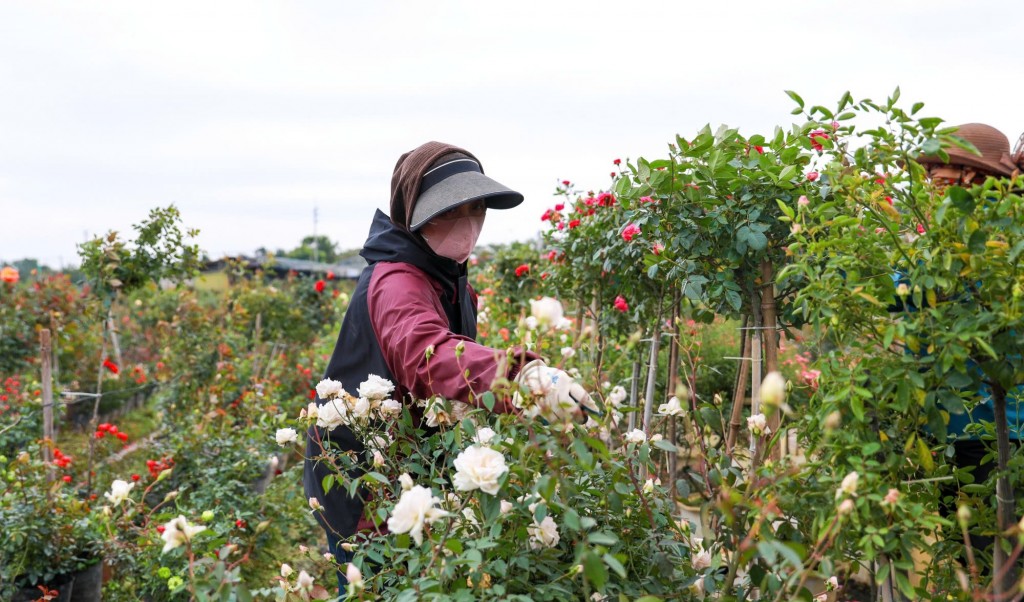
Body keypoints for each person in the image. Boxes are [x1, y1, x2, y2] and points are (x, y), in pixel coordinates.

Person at [302, 141, 594, 591]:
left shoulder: (443, 277)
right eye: (451, 209)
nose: (469, 222)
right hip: (360, 474)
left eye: (476, 207)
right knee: (378, 583)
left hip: (401, 461)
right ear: (414, 216)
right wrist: (520, 376)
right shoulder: (398, 280)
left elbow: (449, 363)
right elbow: (428, 352)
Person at [914, 123, 1023, 569]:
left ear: (974, 179)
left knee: (997, 566)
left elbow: (907, 305)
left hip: (997, 434)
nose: (933, 193)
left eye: (941, 182)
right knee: (979, 564)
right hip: (957, 432)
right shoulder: (948, 243)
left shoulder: (995, 244)